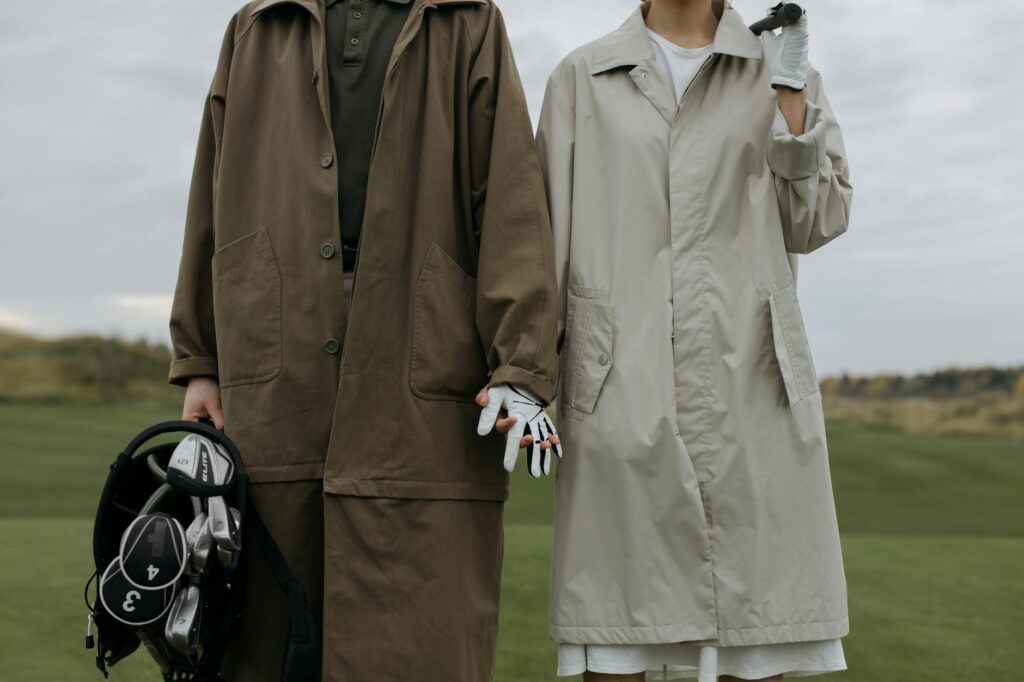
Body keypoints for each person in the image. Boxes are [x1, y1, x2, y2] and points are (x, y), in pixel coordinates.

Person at [168, 0, 560, 679]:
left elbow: (509, 195)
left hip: (422, 355)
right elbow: (213, 188)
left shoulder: (467, 22)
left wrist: (521, 362)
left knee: (420, 636)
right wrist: (200, 357)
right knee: (259, 630)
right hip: (275, 362)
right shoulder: (257, 26)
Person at [536, 0, 853, 680]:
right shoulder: (580, 79)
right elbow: (546, 251)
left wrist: (791, 95)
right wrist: (527, 371)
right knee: (615, 637)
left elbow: (818, 219)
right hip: (619, 402)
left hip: (753, 403)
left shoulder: (782, 73)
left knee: (752, 640)